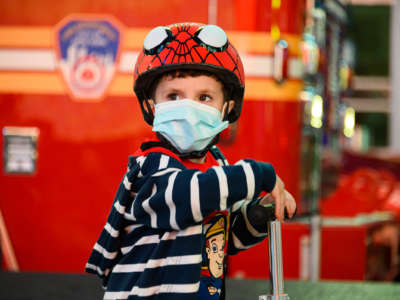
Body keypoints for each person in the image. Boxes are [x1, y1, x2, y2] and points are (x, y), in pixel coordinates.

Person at [85, 22, 296, 300]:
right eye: (173, 96)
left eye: (204, 97)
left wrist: (257, 215)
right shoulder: (151, 167)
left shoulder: (215, 166)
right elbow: (187, 195)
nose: (189, 108)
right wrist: (257, 174)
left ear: (227, 108)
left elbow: (218, 241)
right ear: (151, 105)